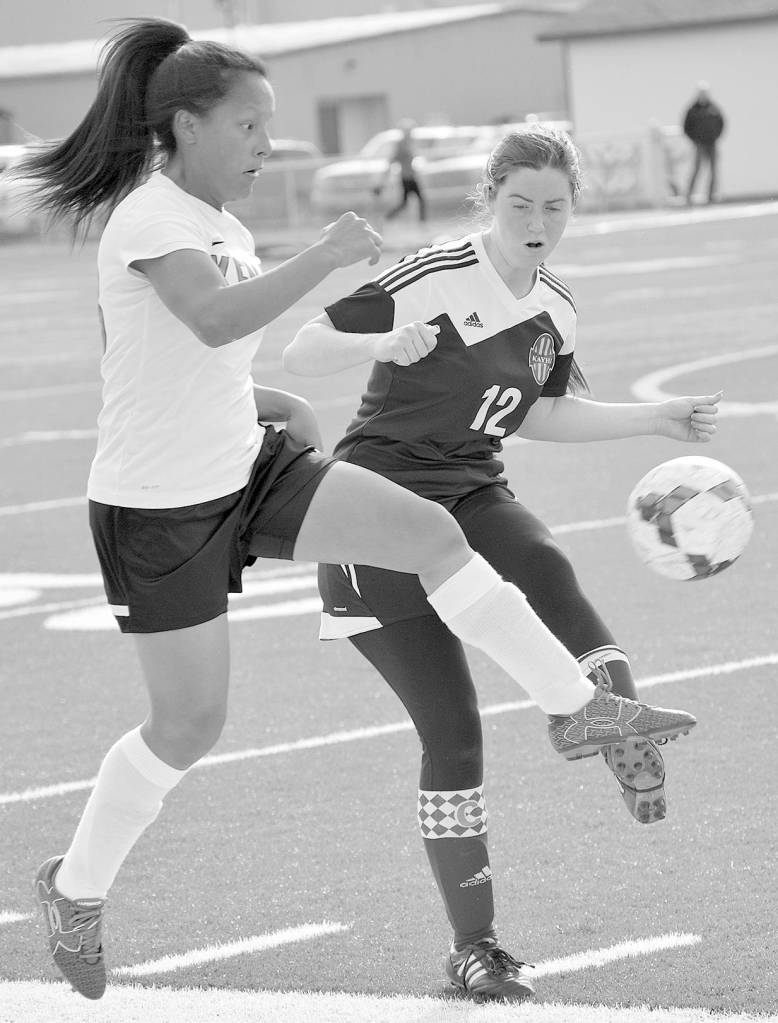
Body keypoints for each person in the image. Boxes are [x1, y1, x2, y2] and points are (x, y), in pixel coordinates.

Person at [17, 22, 696, 1003]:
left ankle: (576, 708)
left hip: (248, 464)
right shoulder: (150, 217)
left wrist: (269, 403)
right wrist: (328, 258)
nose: (267, 144)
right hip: (157, 506)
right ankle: (75, 889)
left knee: (432, 533)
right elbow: (212, 319)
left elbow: (179, 357)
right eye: (250, 125)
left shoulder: (220, 224)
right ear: (187, 125)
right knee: (188, 725)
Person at [284, 123, 719, 1002]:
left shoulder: (555, 306)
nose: (537, 221)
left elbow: (540, 413)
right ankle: (474, 947)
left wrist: (654, 418)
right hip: (375, 509)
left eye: (555, 206)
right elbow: (301, 350)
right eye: (520, 203)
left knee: (545, 560)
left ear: (573, 208)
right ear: (491, 200)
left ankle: (610, 726)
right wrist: (377, 344)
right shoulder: (434, 275)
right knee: (454, 735)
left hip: (472, 490)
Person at [374, 118, 427, 222]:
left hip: (411, 176)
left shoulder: (408, 143)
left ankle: (421, 221)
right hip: (406, 177)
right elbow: (393, 160)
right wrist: (382, 181)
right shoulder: (401, 145)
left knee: (413, 201)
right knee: (409, 201)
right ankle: (388, 217)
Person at [682, 81, 725, 204]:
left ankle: (711, 196)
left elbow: (721, 123)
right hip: (699, 144)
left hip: (712, 143)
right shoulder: (692, 110)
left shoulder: (714, 108)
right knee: (697, 169)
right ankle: (689, 196)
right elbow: (686, 127)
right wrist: (695, 140)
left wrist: (715, 136)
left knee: (714, 170)